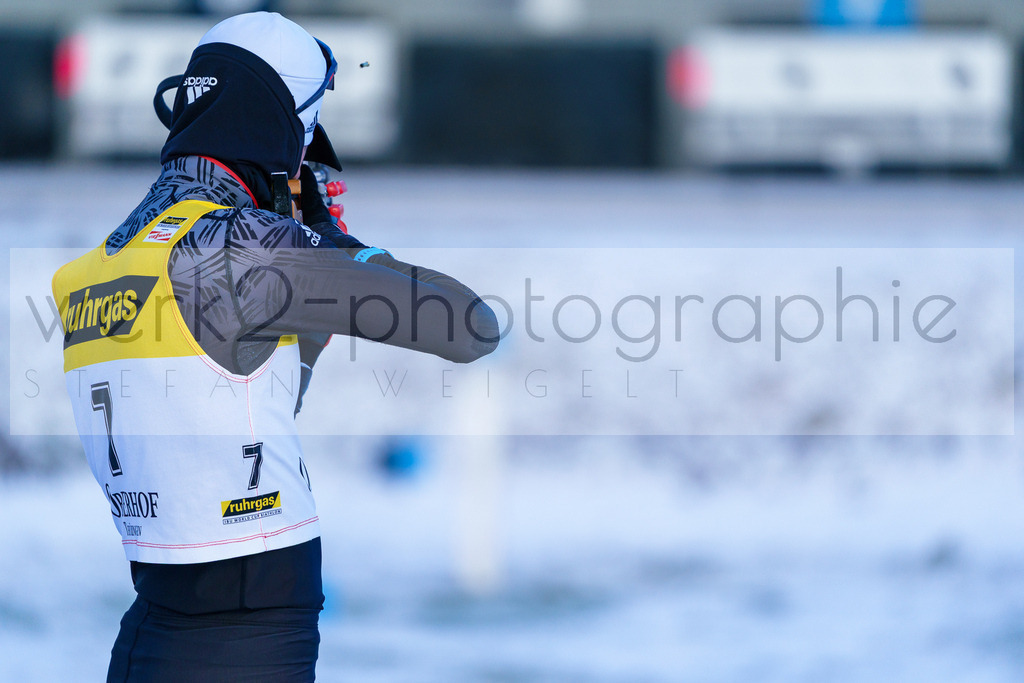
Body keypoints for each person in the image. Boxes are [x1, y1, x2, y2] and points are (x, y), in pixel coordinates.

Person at [51, 11, 499, 682]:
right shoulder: (242, 248)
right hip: (250, 629)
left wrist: (308, 270)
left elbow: (252, 396)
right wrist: (340, 246)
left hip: (154, 618)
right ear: (283, 131)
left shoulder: (103, 263)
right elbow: (469, 325)